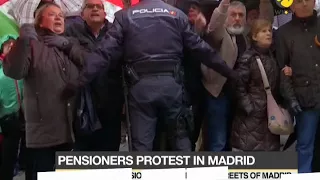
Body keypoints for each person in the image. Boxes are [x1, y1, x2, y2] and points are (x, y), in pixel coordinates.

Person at [51, 0, 238, 152]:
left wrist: (78, 83)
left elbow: (103, 54)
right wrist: (229, 73)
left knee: (142, 147)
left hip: (140, 90)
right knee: (181, 141)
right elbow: (202, 49)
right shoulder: (176, 15)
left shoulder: (125, 16)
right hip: (172, 87)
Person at [3, 2, 85, 179]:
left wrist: (67, 45)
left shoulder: (71, 42)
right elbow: (14, 71)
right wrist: (23, 41)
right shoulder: (31, 44)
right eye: (52, 15)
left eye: (61, 16)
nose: (58, 18)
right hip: (43, 135)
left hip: (70, 129)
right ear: (39, 22)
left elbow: (89, 64)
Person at [65, 0, 123, 151]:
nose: (95, 9)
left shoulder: (116, 32)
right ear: (82, 14)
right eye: (90, 6)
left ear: (105, 13)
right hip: (84, 103)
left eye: (99, 6)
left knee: (109, 152)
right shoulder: (71, 32)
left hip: (111, 102)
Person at [276, 0, 320, 173]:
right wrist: (291, 99)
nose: (304, 3)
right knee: (305, 146)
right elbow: (282, 68)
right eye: (299, 0)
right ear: (292, 4)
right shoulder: (283, 34)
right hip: (304, 99)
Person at [199, 0, 246, 152]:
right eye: (233, 14)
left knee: (228, 142)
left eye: (241, 15)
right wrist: (224, 5)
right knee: (218, 142)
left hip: (235, 95)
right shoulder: (220, 34)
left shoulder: (242, 36)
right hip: (217, 94)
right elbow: (214, 26)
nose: (237, 18)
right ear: (226, 16)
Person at [232, 19, 281, 151]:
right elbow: (239, 85)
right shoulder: (248, 58)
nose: (268, 34)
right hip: (252, 117)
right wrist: (249, 107)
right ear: (254, 36)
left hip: (269, 115)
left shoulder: (272, 56)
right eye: (263, 31)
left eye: (270, 30)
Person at [0, 34, 23, 180]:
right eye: (8, 44)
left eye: (15, 44)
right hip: (5, 121)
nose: (12, 46)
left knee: (14, 156)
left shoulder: (22, 69)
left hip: (21, 118)